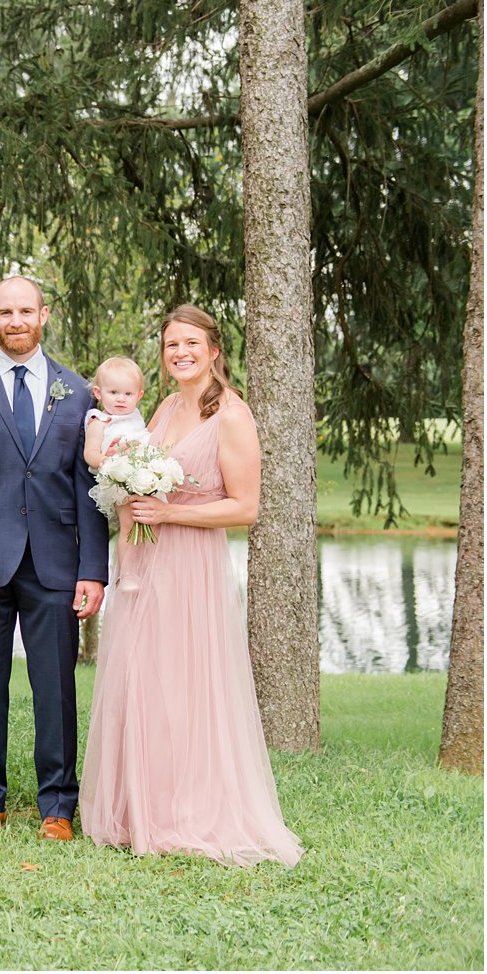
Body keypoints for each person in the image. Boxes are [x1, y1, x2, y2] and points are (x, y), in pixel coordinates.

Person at [80, 305, 303, 866]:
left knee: (188, 682)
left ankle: (191, 812)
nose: (179, 352)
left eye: (190, 343)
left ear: (214, 350)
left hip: (191, 564)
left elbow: (246, 507)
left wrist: (170, 514)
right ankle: (145, 808)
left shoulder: (230, 414)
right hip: (144, 564)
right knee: (146, 681)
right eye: (171, 344)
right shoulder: (163, 407)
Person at [0, 275, 108, 841]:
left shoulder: (79, 393)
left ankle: (58, 806)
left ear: (44, 315)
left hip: (56, 561)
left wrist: (92, 570)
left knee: (56, 687)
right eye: (5, 312)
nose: (16, 321)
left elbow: (91, 489)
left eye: (25, 311)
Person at [83, 356, 152, 591]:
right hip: (118, 480)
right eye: (113, 392)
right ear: (99, 393)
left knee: (149, 523)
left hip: (143, 477)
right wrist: (108, 462)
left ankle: (147, 567)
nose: (121, 399)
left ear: (139, 396)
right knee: (129, 524)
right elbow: (90, 454)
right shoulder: (99, 420)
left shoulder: (136, 417)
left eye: (128, 394)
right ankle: (127, 573)